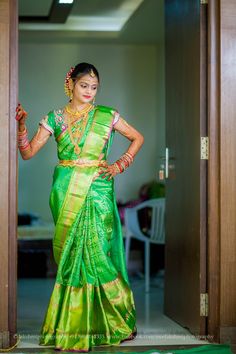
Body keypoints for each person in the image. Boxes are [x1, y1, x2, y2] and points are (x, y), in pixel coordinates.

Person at [16, 62, 144, 352]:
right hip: (66, 192)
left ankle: (116, 320)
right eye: (84, 85)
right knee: (72, 257)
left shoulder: (106, 116)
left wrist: (118, 165)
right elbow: (27, 153)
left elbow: (137, 138)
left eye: (94, 87)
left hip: (98, 191)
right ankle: (72, 327)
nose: (89, 91)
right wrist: (21, 125)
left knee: (99, 254)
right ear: (70, 84)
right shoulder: (55, 118)